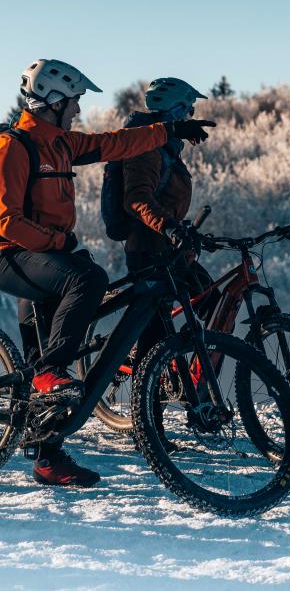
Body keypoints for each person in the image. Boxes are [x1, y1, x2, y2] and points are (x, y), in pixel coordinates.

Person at [0, 59, 215, 486]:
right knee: (87, 279)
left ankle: (47, 455)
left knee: (74, 302)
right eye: (76, 100)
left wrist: (170, 131)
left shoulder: (61, 143)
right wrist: (61, 244)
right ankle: (50, 373)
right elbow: (6, 221)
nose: (79, 108)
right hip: (11, 254)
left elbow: (115, 144)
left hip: (42, 254)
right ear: (54, 100)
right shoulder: (15, 146)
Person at [119, 78, 221, 414]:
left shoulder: (166, 148)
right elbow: (137, 199)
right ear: (173, 109)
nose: (191, 114)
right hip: (148, 252)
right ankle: (148, 422)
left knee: (217, 306)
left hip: (172, 252)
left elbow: (167, 201)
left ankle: (200, 389)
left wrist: (183, 230)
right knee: (155, 335)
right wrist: (169, 227)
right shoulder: (144, 146)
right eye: (187, 108)